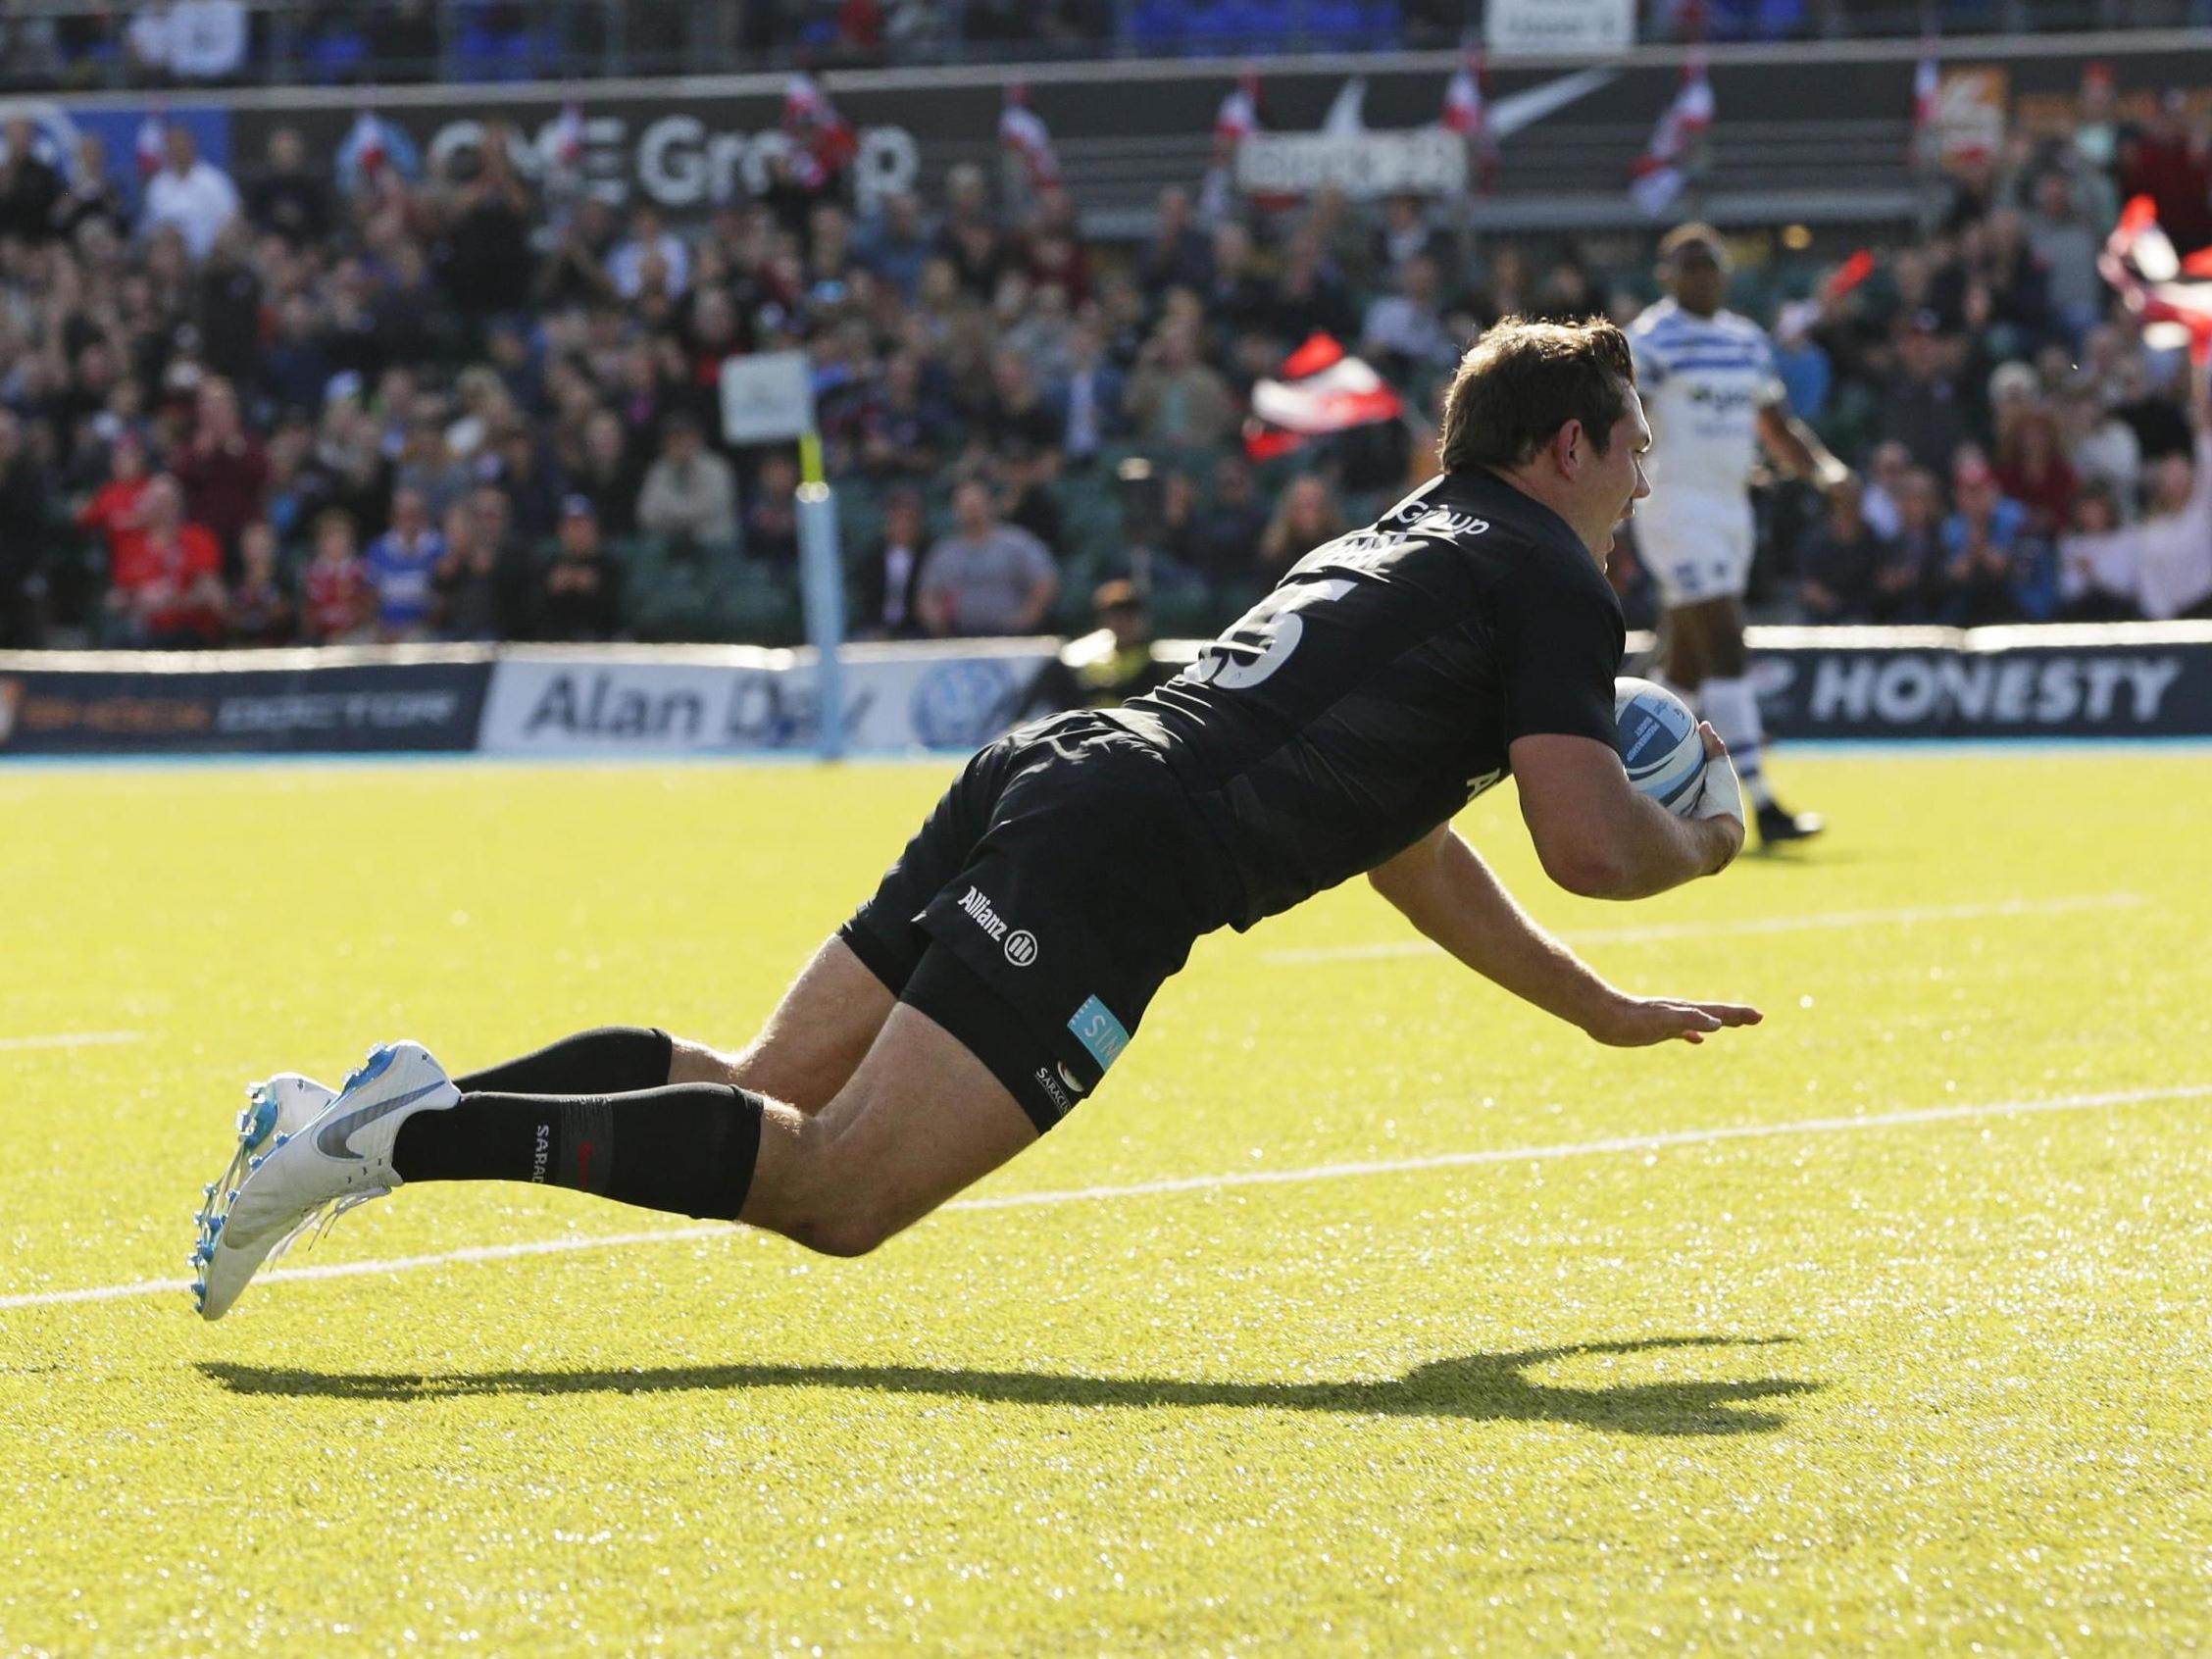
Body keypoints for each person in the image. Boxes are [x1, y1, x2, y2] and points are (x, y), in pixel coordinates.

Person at [187, 316, 1761, 1321]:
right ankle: (406, 1131)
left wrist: (1593, 1006)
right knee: (842, 1190)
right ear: (1567, 448)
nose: (1641, 474)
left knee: (755, 1082)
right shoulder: (1553, 575)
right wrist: (1708, 834)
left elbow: (1407, 852)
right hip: (1128, 851)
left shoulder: (1420, 535)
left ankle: (385, 1107)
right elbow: (1587, 838)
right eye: (1631, 442)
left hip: (1058, 767)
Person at [1627, 223, 1845, 847]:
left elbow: (1776, 425)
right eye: (1689, 266)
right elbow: (1627, 419)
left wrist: (1827, 474)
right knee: (1726, 642)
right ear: (1668, 276)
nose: (1703, 276)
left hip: (1730, 511)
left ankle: (1628, 790)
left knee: (1688, 666)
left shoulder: (1744, 340)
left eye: (1711, 265)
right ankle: (1763, 804)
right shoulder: (1652, 339)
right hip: (1675, 507)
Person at [916, 478, 1058, 637]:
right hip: (959, 636)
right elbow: (927, 595)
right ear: (955, 511)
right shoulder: (944, 552)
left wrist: (1028, 617)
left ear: (989, 505)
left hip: (1010, 635)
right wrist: (936, 621)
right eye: (966, 508)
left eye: (976, 506)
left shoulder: (1018, 543)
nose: (971, 512)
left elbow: (1045, 581)